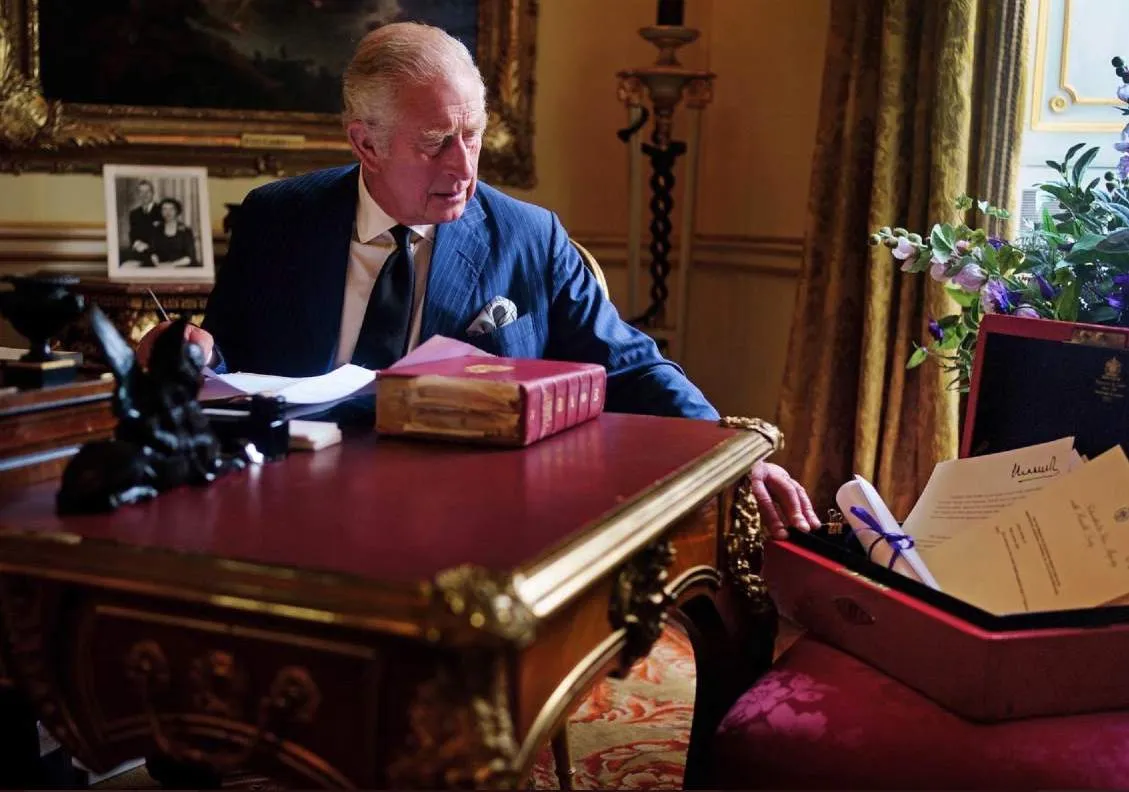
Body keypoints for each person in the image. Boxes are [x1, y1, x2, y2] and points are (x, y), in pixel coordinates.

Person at [136, 22, 819, 535]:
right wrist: (189, 353)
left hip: (466, 525)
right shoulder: (277, 218)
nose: (463, 166)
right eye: (435, 141)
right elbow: (228, 361)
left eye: (474, 133)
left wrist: (732, 459)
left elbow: (631, 367)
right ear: (364, 143)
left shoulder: (528, 236)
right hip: (290, 508)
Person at [147, 198, 198, 268]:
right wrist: (157, 264)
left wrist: (170, 265)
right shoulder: (156, 230)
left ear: (177, 211)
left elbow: (190, 257)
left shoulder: (185, 230)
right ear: (160, 212)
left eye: (171, 209)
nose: (168, 212)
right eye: (164, 209)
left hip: (182, 267)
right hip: (160, 267)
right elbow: (152, 252)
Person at [122, 180, 160, 263]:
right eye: (141, 192)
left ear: (153, 193)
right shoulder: (134, 213)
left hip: (158, 252)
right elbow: (132, 233)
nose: (144, 195)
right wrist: (137, 244)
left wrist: (148, 247)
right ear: (138, 195)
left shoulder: (161, 210)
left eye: (147, 191)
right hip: (139, 251)